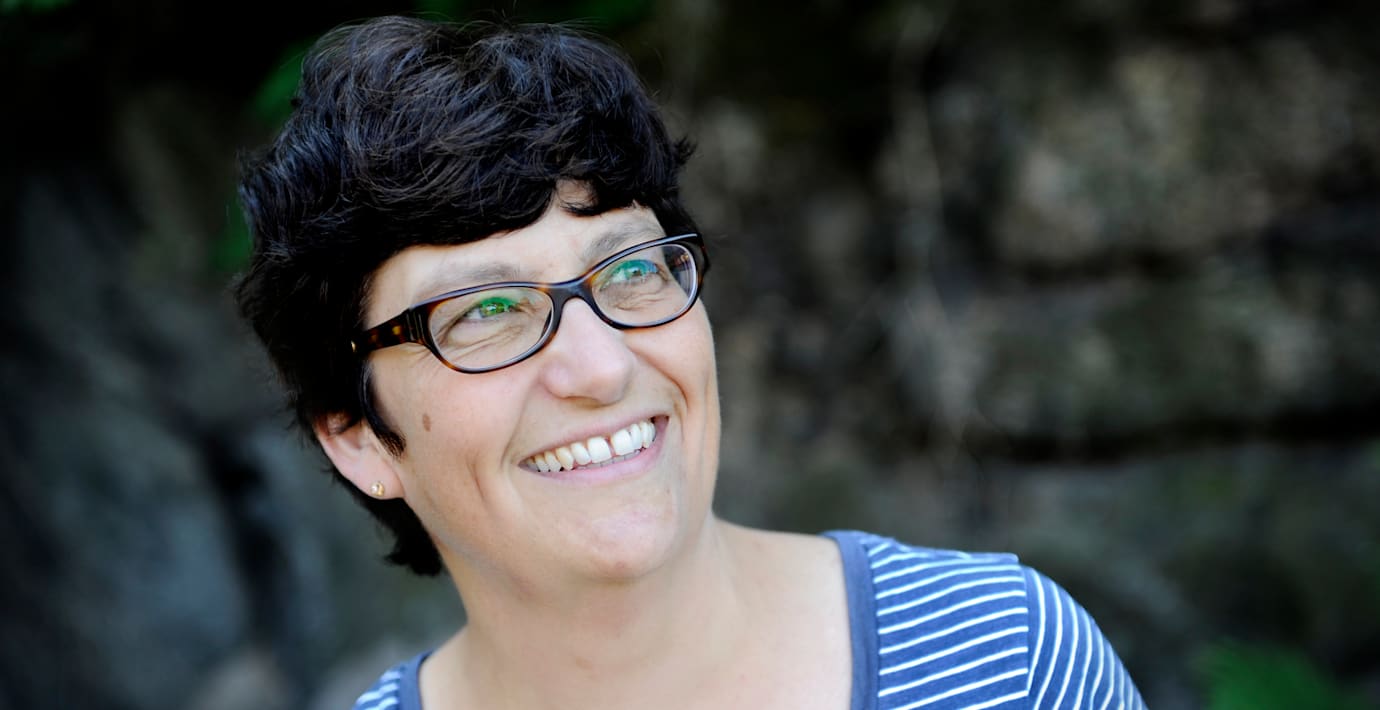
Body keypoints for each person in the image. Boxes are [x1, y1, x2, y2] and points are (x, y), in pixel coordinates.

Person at [234, 14, 1148, 710]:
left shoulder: (1007, 660)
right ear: (358, 437)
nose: (600, 369)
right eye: (488, 313)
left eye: (631, 270)